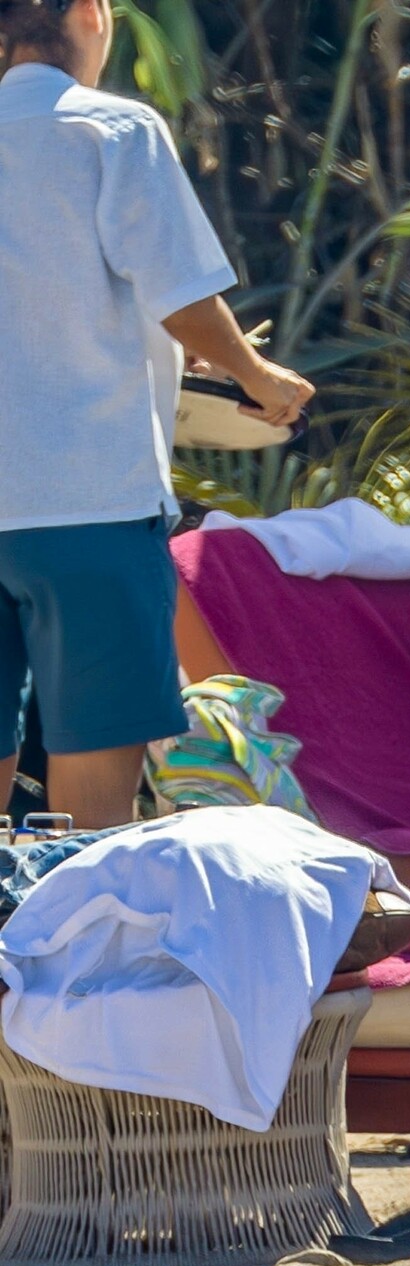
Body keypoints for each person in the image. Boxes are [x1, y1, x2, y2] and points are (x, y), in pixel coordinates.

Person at [0, 0, 313, 829]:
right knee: (96, 764)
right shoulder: (113, 128)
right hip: (88, 501)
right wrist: (258, 376)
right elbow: (182, 298)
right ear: (90, 13)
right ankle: (86, 916)